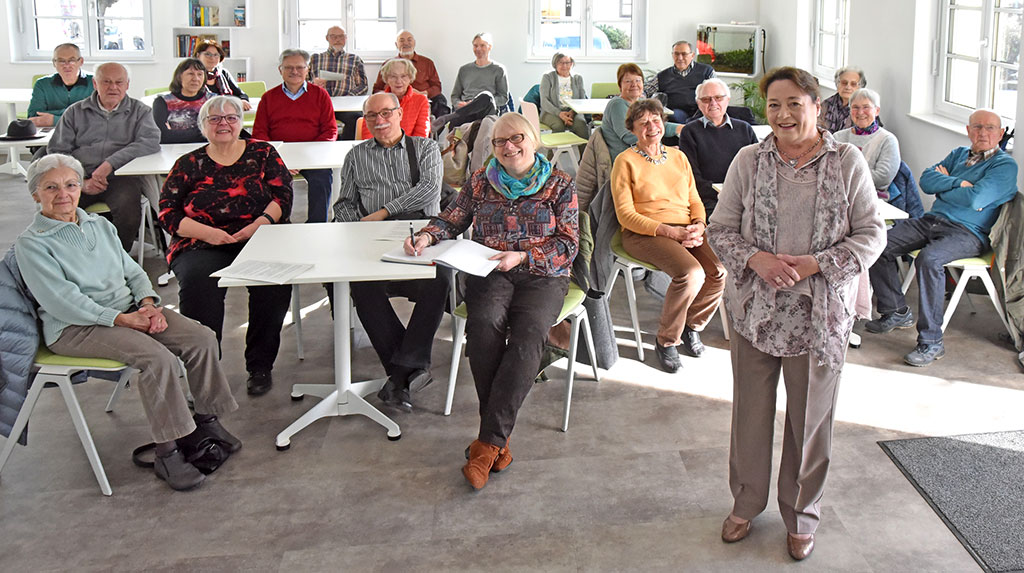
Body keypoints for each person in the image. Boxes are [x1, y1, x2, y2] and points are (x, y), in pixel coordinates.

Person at [707, 66, 885, 561]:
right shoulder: (749, 160)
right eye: (774, 105)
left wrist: (816, 265)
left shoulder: (847, 161)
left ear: (816, 106)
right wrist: (756, 259)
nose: (783, 114)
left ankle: (802, 515)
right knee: (750, 414)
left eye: (794, 104)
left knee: (810, 422)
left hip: (820, 316)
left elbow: (873, 234)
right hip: (754, 310)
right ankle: (746, 504)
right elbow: (719, 229)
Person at [15, 154, 242, 491]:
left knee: (201, 338)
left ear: (80, 189)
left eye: (71, 185)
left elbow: (133, 272)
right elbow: (61, 301)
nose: (63, 194)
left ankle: (206, 421)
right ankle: (168, 452)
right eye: (51, 187)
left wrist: (148, 304)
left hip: (129, 310)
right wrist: (123, 319)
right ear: (36, 194)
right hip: (75, 327)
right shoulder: (32, 244)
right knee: (158, 360)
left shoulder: (99, 225)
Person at [410, 112, 578, 490]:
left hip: (543, 273)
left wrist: (523, 256)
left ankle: (487, 445)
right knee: (483, 326)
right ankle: (497, 441)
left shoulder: (559, 184)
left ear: (533, 140)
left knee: (529, 333)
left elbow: (568, 244)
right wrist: (425, 235)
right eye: (499, 142)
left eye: (516, 138)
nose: (508, 147)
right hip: (490, 269)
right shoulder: (480, 181)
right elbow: (452, 218)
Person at [160, 96, 294, 397]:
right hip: (201, 241)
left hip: (260, 235)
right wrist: (209, 234)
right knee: (198, 283)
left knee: (273, 284)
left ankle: (260, 366)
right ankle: (206, 370)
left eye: (231, 117)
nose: (224, 124)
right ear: (203, 125)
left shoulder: (263, 152)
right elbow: (168, 211)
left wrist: (257, 225)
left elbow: (283, 197)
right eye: (215, 119)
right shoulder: (188, 163)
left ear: (240, 122)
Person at [866, 108, 1018, 366]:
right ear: (968, 131)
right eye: (977, 127)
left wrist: (946, 184)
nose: (983, 132)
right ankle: (895, 311)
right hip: (931, 221)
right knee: (876, 243)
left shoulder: (1005, 166)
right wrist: (959, 184)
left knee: (929, 260)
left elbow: (977, 199)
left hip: (969, 232)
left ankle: (931, 342)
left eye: (990, 128)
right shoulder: (959, 154)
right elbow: (926, 181)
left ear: (1001, 133)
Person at [334, 93, 448, 412]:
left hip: (419, 234)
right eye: (372, 116)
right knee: (361, 285)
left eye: (386, 113)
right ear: (365, 121)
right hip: (371, 235)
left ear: (400, 114)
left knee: (439, 278)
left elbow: (428, 190)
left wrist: (383, 212)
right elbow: (344, 203)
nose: (380, 120)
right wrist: (356, 226)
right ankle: (405, 373)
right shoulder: (356, 156)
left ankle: (399, 374)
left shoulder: (426, 148)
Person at [610, 98, 725, 373]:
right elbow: (625, 215)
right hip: (645, 232)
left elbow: (694, 198)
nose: (652, 126)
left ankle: (691, 326)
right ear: (633, 129)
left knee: (719, 270)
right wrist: (669, 232)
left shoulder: (678, 156)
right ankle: (666, 341)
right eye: (644, 123)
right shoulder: (625, 161)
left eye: (656, 120)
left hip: (684, 226)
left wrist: (698, 223)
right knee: (690, 273)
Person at [46, 62, 160, 253]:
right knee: (56, 206)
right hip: (77, 177)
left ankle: (118, 259)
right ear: (95, 83)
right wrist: (81, 180)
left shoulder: (141, 111)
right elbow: (58, 150)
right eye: (106, 81)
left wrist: (109, 164)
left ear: (127, 85)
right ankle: (68, 257)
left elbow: (149, 141)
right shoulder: (75, 112)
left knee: (129, 211)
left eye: (119, 82)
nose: (113, 87)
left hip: (120, 177)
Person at [253, 49, 337, 223]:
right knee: (269, 180)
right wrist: (279, 159)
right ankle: (280, 223)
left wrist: (307, 157)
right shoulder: (268, 98)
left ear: (307, 69)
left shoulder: (321, 95)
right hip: (279, 155)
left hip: (312, 155)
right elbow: (259, 133)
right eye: (289, 67)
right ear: (280, 70)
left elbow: (330, 130)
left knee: (322, 178)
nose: (294, 71)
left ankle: (316, 224)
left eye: (299, 67)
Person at [678, 78, 759, 216]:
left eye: (718, 98)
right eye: (706, 99)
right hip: (710, 198)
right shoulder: (690, 132)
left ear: (727, 100)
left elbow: (758, 167)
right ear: (699, 104)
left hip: (745, 195)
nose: (713, 103)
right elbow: (692, 176)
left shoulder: (745, 128)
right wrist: (723, 194)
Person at [602, 63, 682, 161]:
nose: (634, 85)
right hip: (626, 158)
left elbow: (654, 124)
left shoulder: (640, 103)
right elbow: (629, 136)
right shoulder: (617, 104)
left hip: (641, 152)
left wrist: (680, 128)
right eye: (628, 81)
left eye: (638, 80)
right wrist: (660, 150)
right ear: (620, 86)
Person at [432, 33, 509, 134]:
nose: (478, 49)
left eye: (482, 45)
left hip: (487, 110)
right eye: (475, 45)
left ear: (490, 47)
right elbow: (455, 96)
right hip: (466, 110)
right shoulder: (464, 70)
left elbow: (503, 98)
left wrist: (476, 102)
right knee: (455, 123)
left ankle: (448, 117)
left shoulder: (498, 69)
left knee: (485, 96)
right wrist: (459, 103)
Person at [832, 88, 900, 199]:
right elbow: (829, 169)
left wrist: (845, 176)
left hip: (872, 198)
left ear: (877, 111)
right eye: (855, 107)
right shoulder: (838, 137)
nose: (860, 112)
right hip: (837, 194)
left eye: (866, 107)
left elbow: (882, 178)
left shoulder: (887, 140)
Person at [308, 26, 368, 140]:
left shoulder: (354, 59)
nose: (337, 40)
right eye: (333, 36)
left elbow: (363, 86)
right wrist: (313, 84)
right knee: (308, 119)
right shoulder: (315, 58)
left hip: (347, 105)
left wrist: (350, 96)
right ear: (327, 38)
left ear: (346, 38)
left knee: (356, 119)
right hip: (320, 104)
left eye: (341, 36)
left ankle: (345, 149)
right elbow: (303, 83)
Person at [371, 30, 448, 118]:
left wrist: (423, 93)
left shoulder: (427, 63)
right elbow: (377, 89)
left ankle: (433, 129)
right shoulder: (388, 64)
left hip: (422, 98)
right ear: (396, 44)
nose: (406, 43)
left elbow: (437, 86)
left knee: (441, 101)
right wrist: (391, 94)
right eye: (402, 40)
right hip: (395, 101)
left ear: (414, 43)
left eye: (409, 40)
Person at [644, 41, 716, 124]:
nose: (680, 58)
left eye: (684, 54)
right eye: (676, 54)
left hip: (701, 114)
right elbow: (645, 90)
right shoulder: (663, 76)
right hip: (675, 116)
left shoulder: (706, 71)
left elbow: (716, 92)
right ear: (672, 55)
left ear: (692, 55)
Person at [359, 58, 429, 140]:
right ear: (386, 79)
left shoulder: (421, 101)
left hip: (410, 149)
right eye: (393, 76)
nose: (399, 81)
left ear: (410, 78)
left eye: (403, 76)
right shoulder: (375, 101)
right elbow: (368, 134)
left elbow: (421, 134)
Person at [27, 43, 93, 128]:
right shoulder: (42, 84)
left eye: (71, 60)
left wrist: (54, 120)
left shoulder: (96, 82)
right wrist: (78, 114)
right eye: (61, 61)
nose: (66, 65)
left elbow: (99, 116)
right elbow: (33, 117)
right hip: (52, 133)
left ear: (81, 62)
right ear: (54, 63)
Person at [153, 58, 214, 144]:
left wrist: (174, 134)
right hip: (173, 151)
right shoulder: (162, 102)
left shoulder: (213, 100)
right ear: (179, 76)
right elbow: (162, 136)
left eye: (200, 74)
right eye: (190, 74)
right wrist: (203, 132)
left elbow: (217, 132)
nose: (195, 78)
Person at [539, 52, 590, 140]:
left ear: (572, 64)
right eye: (561, 63)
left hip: (573, 111)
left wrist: (572, 112)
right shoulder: (548, 77)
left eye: (568, 63)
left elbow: (582, 100)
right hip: (551, 112)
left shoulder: (578, 78)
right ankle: (554, 153)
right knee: (558, 126)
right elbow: (544, 101)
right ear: (555, 64)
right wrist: (559, 114)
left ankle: (585, 154)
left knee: (581, 124)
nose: (565, 66)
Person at [194, 40, 251, 110]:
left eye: (216, 55)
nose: (212, 58)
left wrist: (242, 101)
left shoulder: (223, 73)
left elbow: (241, 94)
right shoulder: (194, 75)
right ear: (198, 55)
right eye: (207, 54)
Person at [818, 66, 867, 133]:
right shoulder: (826, 105)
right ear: (837, 84)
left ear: (860, 87)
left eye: (853, 84)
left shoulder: (866, 110)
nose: (848, 87)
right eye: (844, 83)